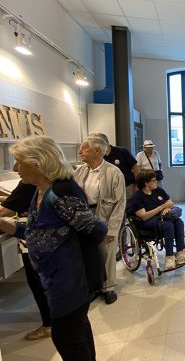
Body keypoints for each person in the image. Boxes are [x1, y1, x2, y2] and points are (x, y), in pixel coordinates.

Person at [0, 135, 107, 361]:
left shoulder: (60, 194)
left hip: (72, 280)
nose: (15, 167)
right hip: (59, 279)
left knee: (67, 337)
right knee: (75, 332)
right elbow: (35, 228)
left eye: (20, 161)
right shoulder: (41, 191)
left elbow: (97, 230)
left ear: (38, 162)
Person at [74, 136, 126, 305]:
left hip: (104, 216)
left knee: (107, 252)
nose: (80, 151)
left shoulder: (114, 172)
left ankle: (108, 287)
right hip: (84, 217)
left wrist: (112, 230)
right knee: (88, 253)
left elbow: (120, 204)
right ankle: (93, 286)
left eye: (84, 148)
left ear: (97, 151)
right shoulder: (80, 171)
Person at [0, 181, 52, 341]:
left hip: (34, 240)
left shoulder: (29, 183)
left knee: (37, 282)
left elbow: (5, 210)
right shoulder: (45, 179)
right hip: (45, 240)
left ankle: (49, 324)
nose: (16, 168)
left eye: (19, 162)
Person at [127, 172, 185, 270]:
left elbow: (170, 202)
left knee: (179, 222)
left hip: (162, 218)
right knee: (168, 225)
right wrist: (161, 207)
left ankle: (181, 253)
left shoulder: (158, 190)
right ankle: (169, 257)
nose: (156, 182)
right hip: (146, 222)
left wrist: (167, 208)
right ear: (146, 183)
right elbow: (144, 216)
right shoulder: (137, 197)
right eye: (154, 181)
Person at [90, 133, 139, 199]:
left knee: (127, 207)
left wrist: (138, 185)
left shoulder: (122, 152)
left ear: (105, 143)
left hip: (126, 187)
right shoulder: (98, 155)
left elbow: (135, 168)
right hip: (108, 190)